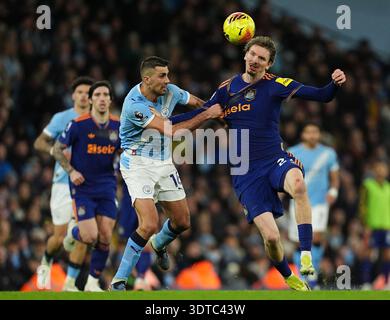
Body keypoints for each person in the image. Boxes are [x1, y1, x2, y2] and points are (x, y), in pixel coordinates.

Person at [171, 36, 346, 290]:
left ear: (269, 64)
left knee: (298, 184)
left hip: (274, 158)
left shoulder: (276, 85)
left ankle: (305, 255)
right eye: (252, 54)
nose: (255, 60)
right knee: (272, 238)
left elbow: (322, 95)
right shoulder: (226, 89)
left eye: (261, 58)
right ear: (245, 55)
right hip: (245, 171)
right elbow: (202, 113)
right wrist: (166, 122)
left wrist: (335, 83)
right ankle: (289, 276)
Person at [110, 56, 223, 291]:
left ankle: (160, 245)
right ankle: (119, 281)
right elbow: (172, 131)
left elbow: (195, 102)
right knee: (149, 223)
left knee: (182, 222)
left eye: (168, 74)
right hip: (137, 163)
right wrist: (207, 116)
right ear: (147, 79)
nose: (168, 80)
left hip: (163, 161)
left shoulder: (170, 91)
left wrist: (217, 113)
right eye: (162, 76)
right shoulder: (135, 105)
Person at [52, 81, 121, 291]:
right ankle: (73, 232)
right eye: (97, 94)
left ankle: (93, 282)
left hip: (107, 187)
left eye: (105, 94)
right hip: (83, 189)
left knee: (106, 236)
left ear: (110, 99)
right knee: (90, 237)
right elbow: (57, 149)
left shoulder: (118, 127)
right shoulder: (78, 124)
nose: (102, 98)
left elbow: (124, 152)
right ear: (91, 100)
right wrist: (71, 171)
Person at [34, 76, 93, 291]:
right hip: (62, 182)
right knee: (59, 238)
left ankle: (69, 283)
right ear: (73, 96)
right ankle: (46, 261)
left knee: (85, 233)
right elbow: (39, 141)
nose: (84, 96)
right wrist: (55, 151)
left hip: (88, 185)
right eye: (80, 92)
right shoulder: (62, 118)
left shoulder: (98, 120)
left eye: (88, 93)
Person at [287, 122, 340, 286]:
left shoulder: (328, 153)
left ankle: (312, 276)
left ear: (319, 134)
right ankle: (302, 278)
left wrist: (333, 191)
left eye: (315, 132)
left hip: (319, 202)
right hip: (298, 201)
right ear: (303, 134)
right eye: (308, 132)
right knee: (298, 242)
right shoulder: (293, 153)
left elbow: (334, 175)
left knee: (316, 237)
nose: (312, 135)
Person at [359, 159, 390, 288]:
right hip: (372, 226)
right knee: (368, 254)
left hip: (387, 226)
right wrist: (365, 224)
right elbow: (362, 206)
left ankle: (386, 282)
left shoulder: (388, 187)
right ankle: (365, 282)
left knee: (387, 255)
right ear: (374, 170)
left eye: (383, 168)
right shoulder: (368, 185)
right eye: (378, 168)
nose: (381, 171)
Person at [117, 183, 153, 290]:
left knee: (146, 239)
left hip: (145, 196)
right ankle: (131, 279)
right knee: (124, 241)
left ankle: (139, 279)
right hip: (128, 201)